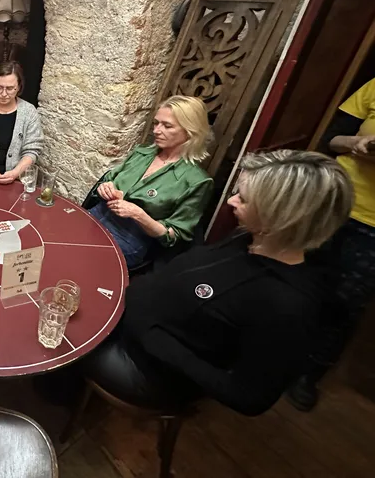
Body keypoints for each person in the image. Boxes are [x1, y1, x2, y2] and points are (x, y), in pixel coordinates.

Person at [82, 150, 353, 417]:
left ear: (279, 219)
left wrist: (155, 339)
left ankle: (66, 393)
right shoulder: (248, 238)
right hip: (134, 322)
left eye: (243, 199)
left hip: (149, 368)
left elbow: (249, 397)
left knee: (74, 337)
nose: (231, 201)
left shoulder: (289, 304)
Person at [287, 78, 375, 411]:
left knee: (346, 301)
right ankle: (267, 348)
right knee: (293, 275)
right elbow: (332, 139)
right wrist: (358, 143)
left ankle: (309, 374)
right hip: (333, 202)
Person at [84, 95, 213, 268]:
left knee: (82, 263)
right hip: (98, 213)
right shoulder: (142, 153)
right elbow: (109, 179)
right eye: (156, 123)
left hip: (128, 237)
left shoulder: (197, 181)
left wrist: (138, 214)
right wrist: (106, 187)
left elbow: (174, 236)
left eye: (167, 126)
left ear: (190, 131)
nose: (157, 131)